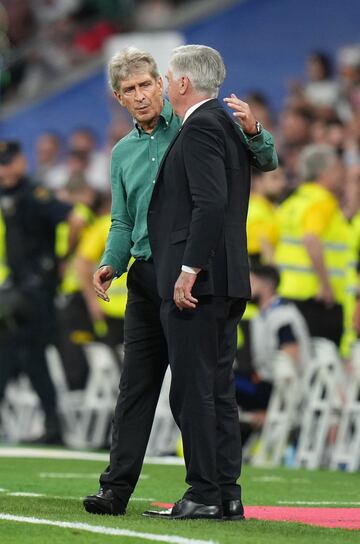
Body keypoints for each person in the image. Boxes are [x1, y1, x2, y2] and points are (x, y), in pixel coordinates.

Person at [83, 46, 278, 518]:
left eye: (147, 83)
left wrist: (256, 130)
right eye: (129, 90)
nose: (141, 95)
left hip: (189, 272)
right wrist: (113, 262)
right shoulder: (123, 152)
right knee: (136, 388)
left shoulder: (193, 124)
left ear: (163, 84)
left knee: (196, 386)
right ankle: (116, 489)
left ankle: (210, 490)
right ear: (119, 98)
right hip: (148, 275)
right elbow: (123, 221)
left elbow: (263, 159)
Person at [141, 44, 251, 521]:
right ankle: (226, 493)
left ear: (183, 84)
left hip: (202, 281)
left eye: (166, 78)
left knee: (193, 390)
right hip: (227, 277)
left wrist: (189, 270)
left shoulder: (203, 125)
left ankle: (204, 491)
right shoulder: (228, 125)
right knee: (217, 389)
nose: (164, 86)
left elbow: (208, 202)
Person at [0, 140, 78, 443]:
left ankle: (53, 424)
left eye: (8, 163)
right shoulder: (8, 193)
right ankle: (52, 424)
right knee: (17, 355)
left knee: (28, 355)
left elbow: (74, 218)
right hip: (17, 288)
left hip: (37, 291)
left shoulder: (36, 193)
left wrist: (61, 260)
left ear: (21, 162)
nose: (4, 170)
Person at [275, 143, 355, 349]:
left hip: (288, 291)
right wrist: (325, 284)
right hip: (316, 298)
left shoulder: (293, 202)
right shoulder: (322, 202)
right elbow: (311, 239)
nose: (342, 174)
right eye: (338, 169)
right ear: (324, 173)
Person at [235, 265, 311, 436]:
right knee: (217, 377)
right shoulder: (262, 315)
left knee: (220, 382)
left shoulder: (283, 316)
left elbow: (292, 360)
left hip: (276, 388)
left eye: (252, 281)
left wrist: (281, 406)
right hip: (263, 382)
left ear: (266, 285)